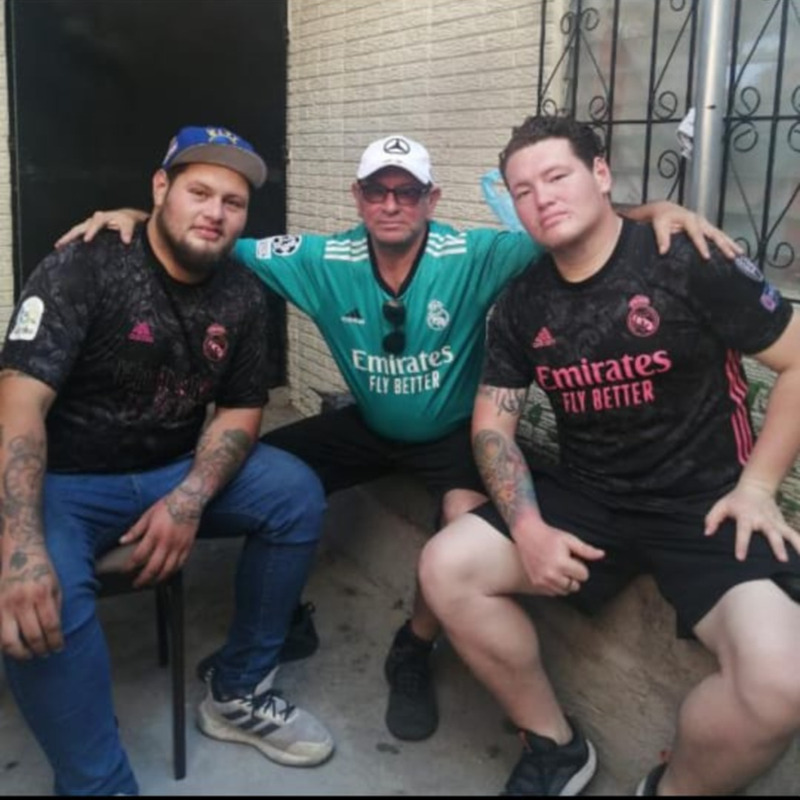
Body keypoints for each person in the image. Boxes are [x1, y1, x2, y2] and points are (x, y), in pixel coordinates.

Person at [56, 133, 741, 744]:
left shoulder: (475, 252)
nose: (391, 204)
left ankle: (412, 649)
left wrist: (654, 212)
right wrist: (137, 219)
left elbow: (576, 225)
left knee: (460, 523)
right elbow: (210, 235)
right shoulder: (321, 257)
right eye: (377, 190)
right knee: (250, 477)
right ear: (357, 197)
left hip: (452, 433)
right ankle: (283, 618)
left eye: (407, 191)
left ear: (430, 199)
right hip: (367, 423)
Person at [418, 114, 800, 795]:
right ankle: (555, 746)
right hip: (589, 497)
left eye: (556, 176)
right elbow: (492, 429)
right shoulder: (521, 302)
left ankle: (671, 788)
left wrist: (758, 487)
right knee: (446, 567)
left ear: (600, 174)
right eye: (523, 190)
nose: (542, 198)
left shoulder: (687, 258)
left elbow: (798, 360)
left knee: (781, 683)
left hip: (706, 504)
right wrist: (528, 529)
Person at [0, 126, 334, 796]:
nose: (215, 212)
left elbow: (241, 410)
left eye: (233, 202)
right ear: (160, 189)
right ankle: (98, 784)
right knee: (40, 592)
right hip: (67, 481)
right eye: (199, 192)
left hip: (171, 470)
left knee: (294, 492)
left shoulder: (241, 292)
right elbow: (19, 400)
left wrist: (189, 499)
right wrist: (19, 544)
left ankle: (237, 691)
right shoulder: (86, 265)